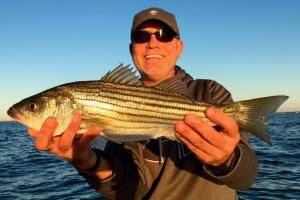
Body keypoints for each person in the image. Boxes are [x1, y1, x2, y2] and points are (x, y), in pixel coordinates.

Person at [28, 7, 259, 200]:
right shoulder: (103, 130)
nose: (152, 43)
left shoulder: (209, 92)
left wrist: (226, 160)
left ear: (179, 47)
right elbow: (130, 190)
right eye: (141, 37)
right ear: (132, 50)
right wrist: (86, 161)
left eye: (164, 34)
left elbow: (246, 178)